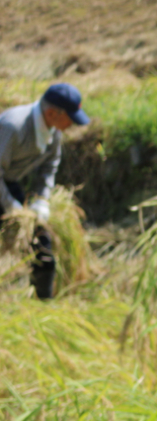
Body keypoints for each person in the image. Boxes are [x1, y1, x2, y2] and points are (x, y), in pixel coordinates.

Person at [0, 83, 91, 300]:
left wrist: (40, 201)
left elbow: (49, 168)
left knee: (42, 249)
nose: (70, 125)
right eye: (70, 118)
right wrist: (10, 206)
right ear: (52, 113)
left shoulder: (53, 131)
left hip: (7, 185)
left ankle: (43, 306)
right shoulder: (13, 127)